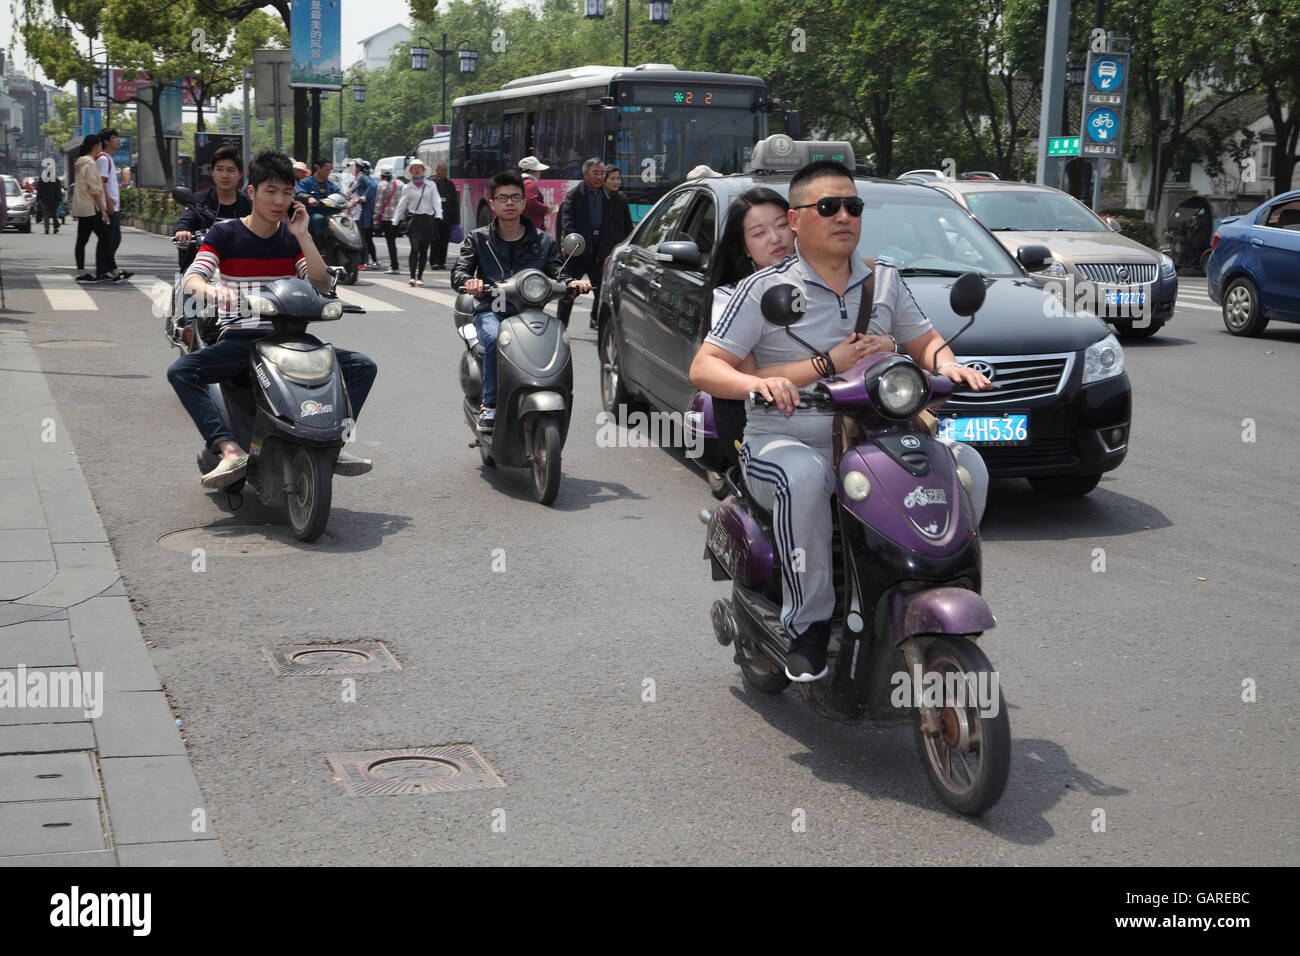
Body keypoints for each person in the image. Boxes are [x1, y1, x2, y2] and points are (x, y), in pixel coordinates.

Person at [689, 160, 992, 682]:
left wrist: (948, 365)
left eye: (853, 206)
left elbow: (926, 340)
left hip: (875, 434)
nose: (843, 216)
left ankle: (932, 589)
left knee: (967, 468)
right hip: (785, 436)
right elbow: (705, 366)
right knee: (807, 477)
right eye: (828, 207)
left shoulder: (885, 282)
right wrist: (758, 383)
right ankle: (807, 623)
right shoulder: (764, 289)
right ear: (798, 219)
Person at [166, 150, 378, 489]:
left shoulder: (292, 238)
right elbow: (195, 277)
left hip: (293, 340)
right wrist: (210, 291)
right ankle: (227, 448)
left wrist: (304, 236)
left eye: (287, 192)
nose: (279, 200)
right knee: (182, 371)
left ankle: (334, 444)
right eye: (271, 191)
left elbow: (320, 282)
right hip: (242, 341)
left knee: (362, 367)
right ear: (251, 192)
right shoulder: (226, 234)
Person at [451, 170, 589, 432]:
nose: (510, 203)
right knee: (493, 339)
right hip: (493, 311)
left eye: (516, 197)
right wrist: (470, 281)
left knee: (558, 340)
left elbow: (558, 273)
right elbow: (460, 272)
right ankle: (489, 405)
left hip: (531, 315)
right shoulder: (478, 239)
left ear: (525, 202)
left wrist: (572, 283)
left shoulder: (543, 241)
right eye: (503, 198)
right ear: (492, 203)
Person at [173, 144, 252, 269]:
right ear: (212, 172)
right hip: (200, 266)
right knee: (184, 286)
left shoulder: (248, 204)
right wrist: (182, 231)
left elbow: (264, 225)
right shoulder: (200, 199)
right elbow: (186, 219)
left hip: (240, 269)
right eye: (219, 169)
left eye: (230, 170)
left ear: (240, 174)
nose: (225, 175)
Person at [556, 158, 612, 329]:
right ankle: (560, 327)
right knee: (569, 293)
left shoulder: (606, 195)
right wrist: (570, 242)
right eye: (595, 173)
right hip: (578, 252)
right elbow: (567, 221)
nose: (600, 177)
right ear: (585, 174)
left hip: (598, 252)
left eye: (602, 173)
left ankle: (601, 328)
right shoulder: (574, 195)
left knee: (601, 294)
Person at [392, 158, 442, 286]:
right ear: (411, 171)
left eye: (419, 168)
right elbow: (402, 205)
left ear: (423, 170)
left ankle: (420, 277)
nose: (417, 170)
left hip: (428, 219)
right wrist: (395, 219)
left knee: (424, 249)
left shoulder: (431, 185)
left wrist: (439, 214)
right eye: (414, 168)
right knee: (415, 248)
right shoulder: (407, 187)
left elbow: (436, 200)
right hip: (414, 220)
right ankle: (412, 276)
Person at [70, 134, 111, 283]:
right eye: (100, 145)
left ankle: (81, 273)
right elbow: (94, 190)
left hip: (82, 208)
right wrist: (103, 210)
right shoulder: (90, 163)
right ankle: (116, 272)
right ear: (96, 146)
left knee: (81, 241)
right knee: (106, 239)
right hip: (91, 208)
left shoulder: (80, 163)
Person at [95, 128, 131, 282]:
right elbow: (101, 183)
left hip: (112, 206)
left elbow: (107, 183)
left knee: (112, 239)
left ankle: (105, 269)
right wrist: (108, 203)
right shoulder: (103, 159)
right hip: (109, 207)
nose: (118, 141)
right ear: (106, 141)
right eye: (115, 138)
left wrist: (120, 186)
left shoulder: (108, 159)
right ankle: (105, 270)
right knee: (110, 239)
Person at [295, 157, 334, 239]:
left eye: (330, 170)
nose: (329, 173)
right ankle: (319, 245)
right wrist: (308, 198)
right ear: (318, 168)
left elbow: (338, 193)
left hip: (329, 212)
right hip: (312, 212)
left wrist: (348, 200)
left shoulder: (330, 184)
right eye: (327, 170)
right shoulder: (306, 182)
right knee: (318, 219)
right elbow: (299, 193)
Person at [349, 160, 378, 270]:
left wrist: (363, 197)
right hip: (359, 212)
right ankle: (369, 261)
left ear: (359, 168)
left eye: (353, 166)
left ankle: (363, 263)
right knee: (365, 239)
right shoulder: (358, 178)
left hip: (361, 213)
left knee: (362, 239)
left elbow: (371, 186)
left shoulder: (361, 177)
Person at [373, 166, 402, 274]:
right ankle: (395, 265)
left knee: (391, 242)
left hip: (387, 218)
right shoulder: (400, 184)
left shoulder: (382, 185)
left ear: (381, 175)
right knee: (393, 241)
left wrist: (375, 220)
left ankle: (394, 266)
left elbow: (378, 204)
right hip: (398, 218)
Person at [432, 162, 458, 269]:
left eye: (445, 170)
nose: (443, 172)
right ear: (437, 170)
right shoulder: (432, 183)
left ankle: (442, 262)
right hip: (434, 218)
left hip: (447, 217)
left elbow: (455, 203)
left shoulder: (450, 184)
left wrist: (455, 220)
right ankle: (434, 262)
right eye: (441, 170)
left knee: (444, 241)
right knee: (435, 241)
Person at [517, 156, 549, 232]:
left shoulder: (522, 182)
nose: (540, 173)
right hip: (532, 225)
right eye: (538, 170)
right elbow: (532, 202)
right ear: (531, 171)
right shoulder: (529, 184)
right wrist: (547, 209)